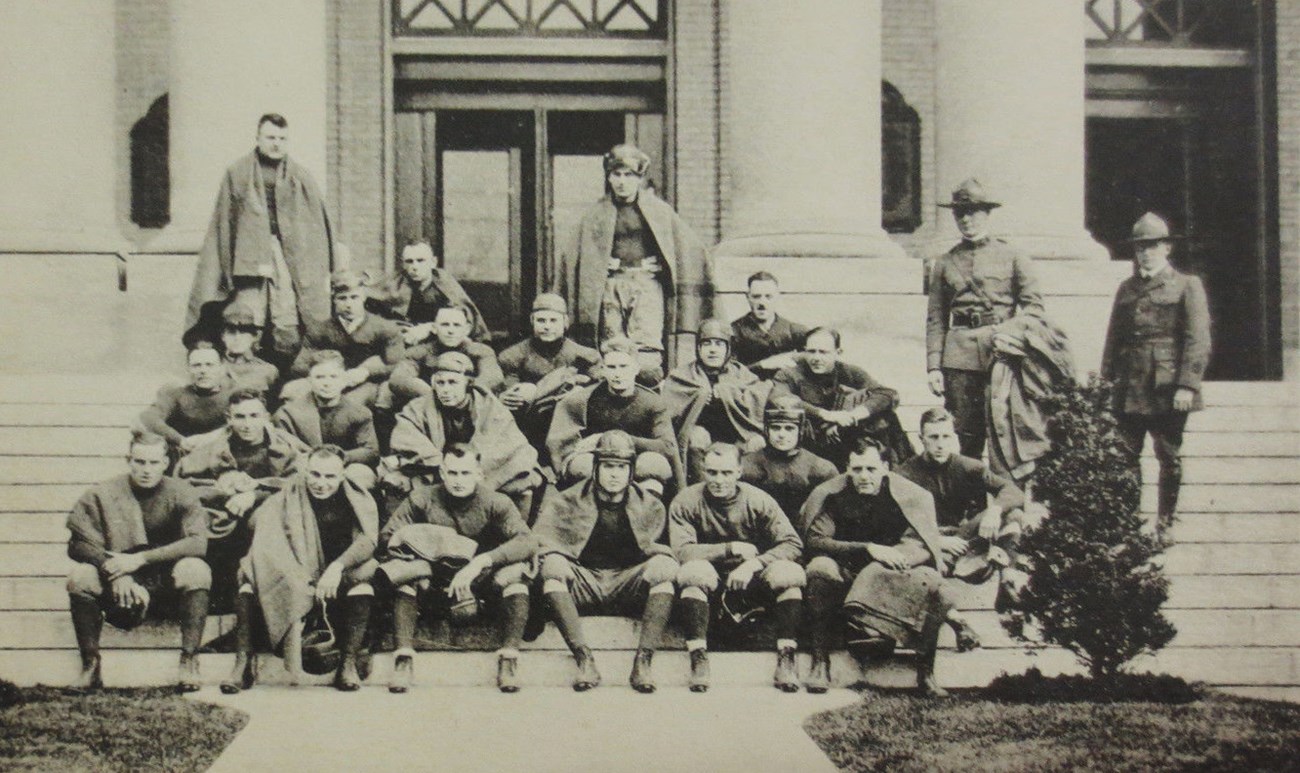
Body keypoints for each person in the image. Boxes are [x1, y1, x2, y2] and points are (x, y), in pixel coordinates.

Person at [376, 445, 537, 693]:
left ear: (479, 474)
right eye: (452, 473)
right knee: (407, 577)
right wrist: (431, 547)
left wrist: (480, 562)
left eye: (465, 473)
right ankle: (403, 659)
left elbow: (526, 541)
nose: (458, 480)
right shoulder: (422, 498)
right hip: (435, 583)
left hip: (478, 584)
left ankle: (508, 659)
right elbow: (388, 536)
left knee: (515, 576)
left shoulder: (496, 502)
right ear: (442, 472)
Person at [549, 143, 715, 382]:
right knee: (612, 344)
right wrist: (596, 266)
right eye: (616, 174)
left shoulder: (659, 211)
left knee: (647, 346)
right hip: (610, 286)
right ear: (608, 176)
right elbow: (575, 255)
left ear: (640, 178)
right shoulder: (595, 214)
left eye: (629, 175)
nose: (622, 181)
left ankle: (647, 397)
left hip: (646, 285)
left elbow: (687, 246)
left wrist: (661, 263)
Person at [221, 445, 379, 693]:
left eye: (330, 477)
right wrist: (297, 575)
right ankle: (242, 664)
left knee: (364, 585)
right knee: (248, 578)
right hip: (297, 572)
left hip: (336, 576)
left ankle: (347, 665)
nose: (321, 483)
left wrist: (337, 568)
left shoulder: (355, 498)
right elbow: (268, 537)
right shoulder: (290, 494)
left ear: (342, 475)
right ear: (305, 472)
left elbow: (368, 540)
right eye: (315, 474)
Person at [800, 438, 951, 696]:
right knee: (819, 569)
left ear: (884, 467)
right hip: (845, 570)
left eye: (871, 469)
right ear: (847, 468)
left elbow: (921, 543)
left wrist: (897, 556)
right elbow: (816, 540)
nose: (864, 476)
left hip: (894, 572)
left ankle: (926, 673)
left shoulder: (907, 495)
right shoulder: (833, 495)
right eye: (857, 469)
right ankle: (820, 663)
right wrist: (868, 548)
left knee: (934, 583)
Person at [183, 113, 339, 361]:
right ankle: (244, 371)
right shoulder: (237, 173)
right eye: (270, 137)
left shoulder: (301, 175)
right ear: (258, 138)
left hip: (287, 257)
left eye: (282, 138)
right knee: (246, 315)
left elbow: (317, 224)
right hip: (249, 258)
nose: (276, 143)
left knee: (286, 313)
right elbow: (225, 220)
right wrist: (226, 265)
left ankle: (283, 374)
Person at [531, 431, 679, 693]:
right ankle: (583, 658)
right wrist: (557, 557)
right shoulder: (568, 500)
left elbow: (661, 549)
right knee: (552, 566)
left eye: (621, 467)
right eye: (608, 466)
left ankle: (643, 662)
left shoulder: (650, 505)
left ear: (631, 471)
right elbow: (542, 541)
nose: (614, 474)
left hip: (626, 581)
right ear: (596, 468)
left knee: (664, 568)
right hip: (585, 580)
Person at [65, 431, 211, 691]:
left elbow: (198, 543)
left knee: (197, 570)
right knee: (80, 576)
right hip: (118, 581)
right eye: (139, 462)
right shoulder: (103, 493)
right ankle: (90, 665)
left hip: (164, 582)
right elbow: (78, 544)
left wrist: (140, 560)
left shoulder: (181, 492)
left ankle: (189, 661)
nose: (146, 470)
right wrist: (118, 573)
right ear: (128, 460)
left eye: (154, 462)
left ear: (166, 462)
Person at [1101, 212, 1211, 528]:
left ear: (1166, 248)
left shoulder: (1187, 285)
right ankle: (1129, 523)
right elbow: (1114, 339)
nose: (1145, 253)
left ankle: (1165, 522)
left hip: (1166, 387)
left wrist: (1187, 385)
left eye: (1152, 246)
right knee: (1125, 456)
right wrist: (1106, 382)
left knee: (1168, 455)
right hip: (1130, 385)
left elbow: (1197, 339)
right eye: (1140, 247)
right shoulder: (1126, 289)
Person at [669, 443, 806, 693]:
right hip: (710, 578)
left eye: (726, 473)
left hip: (751, 579)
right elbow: (682, 551)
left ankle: (787, 656)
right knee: (692, 572)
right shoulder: (686, 501)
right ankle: (698, 657)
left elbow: (792, 543)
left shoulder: (758, 500)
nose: (719, 480)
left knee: (789, 574)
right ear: (703, 470)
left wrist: (754, 564)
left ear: (739, 472)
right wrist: (729, 548)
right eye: (712, 472)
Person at [927, 178, 1044, 458]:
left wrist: (1010, 333)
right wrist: (933, 366)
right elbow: (935, 318)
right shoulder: (944, 262)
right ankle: (970, 502)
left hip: (1001, 354)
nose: (966, 219)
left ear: (987, 214)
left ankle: (1005, 500)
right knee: (965, 435)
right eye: (960, 213)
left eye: (974, 212)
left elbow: (1034, 308)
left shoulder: (1013, 256)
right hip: (959, 358)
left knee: (1004, 432)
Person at [896, 408, 1027, 648]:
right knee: (922, 572)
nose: (940, 444)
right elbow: (896, 522)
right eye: (933, 437)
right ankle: (958, 623)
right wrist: (935, 540)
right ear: (921, 438)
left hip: (963, 536)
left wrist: (995, 511)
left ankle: (1007, 578)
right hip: (926, 542)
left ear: (954, 438)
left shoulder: (969, 467)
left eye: (946, 437)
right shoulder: (905, 473)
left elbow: (1014, 492)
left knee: (1014, 513)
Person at [176, 388, 308, 608]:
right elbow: (183, 485)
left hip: (268, 517)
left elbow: (298, 484)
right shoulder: (214, 449)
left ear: (266, 417)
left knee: (263, 521)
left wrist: (254, 493)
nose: (247, 424)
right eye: (240, 417)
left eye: (254, 416)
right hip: (221, 516)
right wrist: (221, 488)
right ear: (229, 419)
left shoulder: (285, 448)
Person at [384, 352, 540, 508]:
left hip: (482, 471)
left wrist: (469, 469)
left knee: (524, 476)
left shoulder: (490, 406)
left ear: (467, 383)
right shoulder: (418, 407)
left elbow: (505, 443)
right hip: (438, 471)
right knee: (395, 480)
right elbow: (407, 437)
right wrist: (444, 465)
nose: (445, 389)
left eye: (453, 382)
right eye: (440, 383)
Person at [547, 337, 682, 495]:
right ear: (603, 370)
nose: (618, 374)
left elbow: (667, 447)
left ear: (636, 368)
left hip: (634, 462)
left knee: (655, 464)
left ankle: (643, 516)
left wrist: (610, 438)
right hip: (600, 464)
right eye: (612, 367)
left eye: (624, 366)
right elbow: (561, 442)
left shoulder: (652, 402)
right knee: (580, 466)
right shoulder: (585, 399)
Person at [773, 327, 913, 467]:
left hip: (843, 436)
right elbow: (780, 399)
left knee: (884, 416)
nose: (816, 358)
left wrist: (851, 416)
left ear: (837, 353)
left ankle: (901, 468)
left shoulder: (849, 372)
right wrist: (825, 415)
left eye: (823, 352)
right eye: (811, 351)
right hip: (808, 443)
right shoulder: (790, 374)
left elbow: (887, 394)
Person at [661, 319, 771, 481]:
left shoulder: (741, 373)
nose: (713, 350)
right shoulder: (682, 375)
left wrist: (727, 393)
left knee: (757, 442)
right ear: (698, 348)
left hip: (736, 436)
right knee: (698, 437)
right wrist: (701, 397)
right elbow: (668, 414)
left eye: (719, 344)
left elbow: (758, 400)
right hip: (700, 437)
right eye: (707, 344)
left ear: (728, 348)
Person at [497, 293, 601, 452]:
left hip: (568, 428)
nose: (547, 326)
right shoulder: (513, 356)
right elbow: (512, 393)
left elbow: (599, 391)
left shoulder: (585, 356)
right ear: (532, 321)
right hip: (528, 428)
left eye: (553, 320)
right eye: (541, 320)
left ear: (565, 322)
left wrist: (581, 392)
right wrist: (504, 397)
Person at [285, 270, 405, 408]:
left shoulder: (385, 328)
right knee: (291, 392)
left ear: (363, 297)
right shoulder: (320, 329)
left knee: (349, 404)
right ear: (334, 300)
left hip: (368, 384)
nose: (349, 304)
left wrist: (367, 372)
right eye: (342, 298)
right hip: (328, 380)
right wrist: (331, 373)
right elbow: (299, 366)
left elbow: (398, 365)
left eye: (354, 297)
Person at [274, 350, 380, 490]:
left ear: (343, 379)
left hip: (343, 469)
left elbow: (371, 451)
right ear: (309, 380)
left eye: (333, 377)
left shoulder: (359, 413)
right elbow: (282, 454)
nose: (327, 383)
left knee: (359, 474)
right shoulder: (288, 413)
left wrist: (340, 456)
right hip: (305, 470)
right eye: (320, 377)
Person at [366, 241, 489, 345]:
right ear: (403, 264)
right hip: (403, 341)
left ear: (433, 262)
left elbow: (462, 314)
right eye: (409, 261)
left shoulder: (444, 283)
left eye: (421, 261)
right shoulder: (396, 282)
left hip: (440, 342)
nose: (415, 266)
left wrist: (430, 327)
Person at [740, 394, 839, 523]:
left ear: (800, 430)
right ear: (766, 429)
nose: (782, 434)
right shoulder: (746, 465)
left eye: (789, 428)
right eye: (776, 428)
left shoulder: (822, 469)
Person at [387, 304, 504, 409]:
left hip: (469, 407)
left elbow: (493, 377)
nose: (451, 331)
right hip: (430, 408)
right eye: (445, 325)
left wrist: (461, 393)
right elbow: (399, 378)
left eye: (456, 325)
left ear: (467, 329)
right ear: (434, 328)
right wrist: (435, 393)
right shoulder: (419, 352)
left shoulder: (481, 351)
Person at [137, 343, 236, 457]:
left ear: (221, 368)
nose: (203, 370)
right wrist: (181, 440)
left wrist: (210, 437)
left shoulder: (234, 394)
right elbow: (149, 417)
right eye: (196, 365)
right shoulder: (176, 394)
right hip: (184, 457)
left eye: (209, 365)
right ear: (188, 368)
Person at [730, 271, 809, 376]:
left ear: (777, 297)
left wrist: (800, 357)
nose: (762, 303)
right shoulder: (733, 331)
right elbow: (728, 373)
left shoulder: (795, 330)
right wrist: (763, 365)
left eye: (768, 296)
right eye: (756, 296)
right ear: (747, 297)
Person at [219, 303, 280, 396]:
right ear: (223, 336)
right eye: (231, 332)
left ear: (254, 337)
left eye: (244, 332)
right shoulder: (214, 366)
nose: (237, 337)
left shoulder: (268, 371)